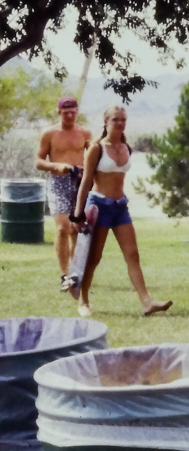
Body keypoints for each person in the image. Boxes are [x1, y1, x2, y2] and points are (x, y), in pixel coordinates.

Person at [69, 106, 172, 318]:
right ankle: (83, 300)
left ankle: (147, 302)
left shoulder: (127, 147)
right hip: (99, 206)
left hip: (120, 206)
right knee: (94, 257)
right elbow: (86, 181)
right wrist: (77, 214)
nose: (120, 123)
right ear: (106, 121)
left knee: (133, 255)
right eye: (115, 119)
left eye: (123, 119)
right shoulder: (96, 148)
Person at [35, 96, 92, 286]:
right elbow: (39, 161)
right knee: (62, 228)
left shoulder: (84, 133)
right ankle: (64, 273)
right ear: (59, 112)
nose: (69, 115)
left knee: (77, 229)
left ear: (77, 111)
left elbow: (96, 154)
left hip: (79, 182)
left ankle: (75, 273)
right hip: (58, 182)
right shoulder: (49, 133)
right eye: (66, 112)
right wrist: (56, 166)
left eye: (73, 111)